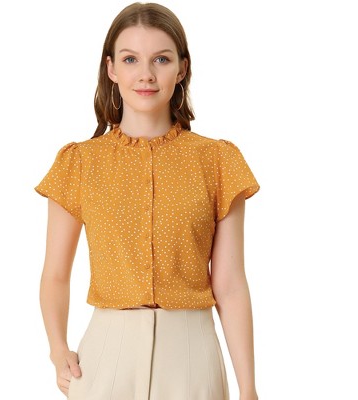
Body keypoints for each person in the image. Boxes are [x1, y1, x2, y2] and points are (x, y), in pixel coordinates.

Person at [35, 2, 260, 399]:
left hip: (192, 355)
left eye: (161, 59)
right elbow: (55, 274)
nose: (146, 74)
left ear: (182, 68)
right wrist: (58, 349)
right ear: (111, 68)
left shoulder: (217, 161)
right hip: (106, 356)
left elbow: (229, 285)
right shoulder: (80, 163)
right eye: (130, 59)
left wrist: (248, 389)